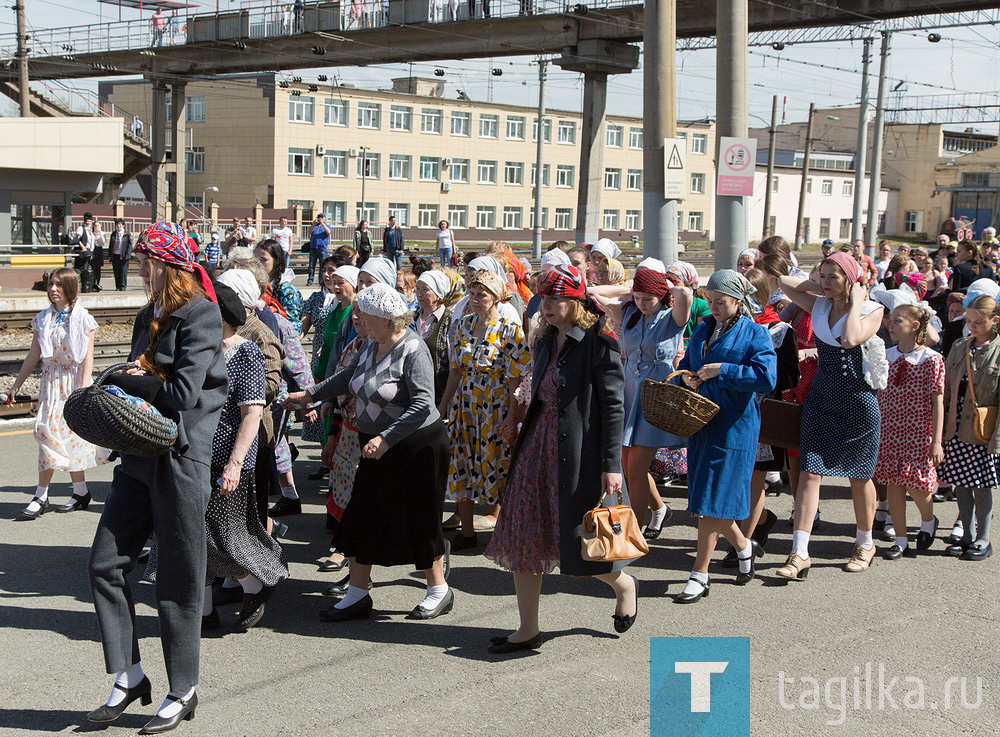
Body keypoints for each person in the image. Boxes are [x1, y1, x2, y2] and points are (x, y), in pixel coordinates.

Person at [87, 222, 226, 733]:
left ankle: (182, 688)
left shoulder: (201, 314)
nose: (140, 267)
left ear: (168, 264)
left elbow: (182, 394)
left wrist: (128, 378)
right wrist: (130, 381)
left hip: (181, 460)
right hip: (139, 455)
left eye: (147, 260)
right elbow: (144, 380)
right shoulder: (149, 314)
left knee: (177, 578)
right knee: (104, 564)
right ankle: (129, 675)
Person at [484, 264, 635, 653]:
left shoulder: (600, 341)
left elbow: (614, 408)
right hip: (536, 447)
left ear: (576, 300)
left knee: (580, 543)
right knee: (524, 534)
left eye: (555, 299)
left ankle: (623, 585)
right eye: (543, 298)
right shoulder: (546, 339)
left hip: (578, 454)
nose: (545, 306)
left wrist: (612, 465)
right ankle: (527, 628)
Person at [285, 284, 453, 621]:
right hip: (376, 445)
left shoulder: (413, 348)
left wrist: (387, 438)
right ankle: (358, 593)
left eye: (363, 312)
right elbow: (350, 376)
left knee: (421, 517)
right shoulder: (371, 344)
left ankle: (438, 590)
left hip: (416, 446)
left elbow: (423, 404)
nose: (357, 316)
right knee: (363, 515)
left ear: (385, 318)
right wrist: (310, 394)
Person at [775, 252, 886, 579]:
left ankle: (865, 543)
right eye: (822, 276)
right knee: (809, 472)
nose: (824, 283)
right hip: (821, 398)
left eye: (832, 277)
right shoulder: (819, 304)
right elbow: (783, 282)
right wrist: (818, 283)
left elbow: (851, 338)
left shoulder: (871, 309)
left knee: (859, 475)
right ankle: (799, 553)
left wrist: (855, 301)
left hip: (857, 400)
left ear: (850, 280)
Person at [674, 270, 777, 603]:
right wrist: (686, 380)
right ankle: (745, 548)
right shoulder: (703, 328)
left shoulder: (755, 333)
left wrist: (723, 370)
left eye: (720, 302)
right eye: (710, 301)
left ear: (737, 300)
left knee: (710, 504)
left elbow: (767, 378)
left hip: (735, 426)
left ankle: (699, 574)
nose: (713, 307)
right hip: (701, 422)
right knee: (709, 498)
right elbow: (689, 365)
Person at [191, 282, 288, 632]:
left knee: (224, 537)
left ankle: (255, 584)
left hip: (230, 460)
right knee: (195, 535)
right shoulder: (200, 348)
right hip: (195, 456)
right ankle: (204, 612)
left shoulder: (245, 351)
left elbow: (251, 413)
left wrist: (234, 464)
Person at [590, 269, 691, 539]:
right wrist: (628, 290)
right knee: (628, 466)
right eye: (638, 298)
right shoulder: (630, 314)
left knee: (635, 468)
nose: (642, 304)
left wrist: (666, 285)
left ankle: (631, 532)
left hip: (656, 395)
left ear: (662, 296)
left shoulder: (672, 317)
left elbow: (686, 293)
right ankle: (659, 509)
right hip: (629, 392)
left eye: (649, 298)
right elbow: (593, 294)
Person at [6, 268, 110, 518]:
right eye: (51, 284)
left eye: (58, 285)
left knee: (70, 437)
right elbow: (34, 354)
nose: (53, 289)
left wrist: (84, 389)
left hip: (73, 381)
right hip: (50, 382)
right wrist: (16, 385)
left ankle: (80, 491)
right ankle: (41, 495)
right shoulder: (42, 318)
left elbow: (87, 356)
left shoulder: (84, 318)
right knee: (45, 432)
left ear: (70, 287)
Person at [438, 269, 530, 548]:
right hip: (464, 408)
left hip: (495, 406)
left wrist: (513, 417)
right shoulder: (461, 326)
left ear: (496, 297)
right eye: (473, 293)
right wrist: (442, 406)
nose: (475, 299)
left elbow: (515, 377)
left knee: (498, 467)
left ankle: (506, 533)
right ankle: (467, 533)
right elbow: (455, 370)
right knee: (462, 465)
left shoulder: (509, 329)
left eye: (483, 294)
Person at [874, 304, 945, 560]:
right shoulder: (887, 354)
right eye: (891, 320)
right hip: (890, 428)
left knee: (918, 483)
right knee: (893, 480)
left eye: (898, 321)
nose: (891, 325)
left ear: (914, 326)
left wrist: (936, 440)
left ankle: (928, 520)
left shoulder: (931, 359)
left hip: (917, 429)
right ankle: (901, 540)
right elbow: (880, 392)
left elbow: (937, 401)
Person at [938, 294, 1000, 561]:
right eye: (969, 321)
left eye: (978, 322)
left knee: (982, 485)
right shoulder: (960, 346)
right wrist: (941, 428)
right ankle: (966, 536)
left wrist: (996, 441)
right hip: (957, 428)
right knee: (960, 484)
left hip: (984, 431)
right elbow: (947, 388)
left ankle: (983, 538)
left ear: (994, 321)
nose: (972, 326)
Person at [413, 270, 455, 403]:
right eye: (417, 289)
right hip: (411, 391)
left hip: (438, 394)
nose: (419, 294)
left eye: (425, 289)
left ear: (438, 294)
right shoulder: (411, 318)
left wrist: (444, 404)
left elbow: (454, 365)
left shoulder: (450, 320)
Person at [255, 239, 303, 332]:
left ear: (276, 260)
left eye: (264, 260)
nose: (258, 264)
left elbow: (293, 327)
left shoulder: (287, 291)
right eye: (256, 259)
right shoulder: (254, 284)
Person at [307, 214, 332, 286]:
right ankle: (310, 280)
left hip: (322, 249)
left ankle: (321, 281)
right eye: (318, 218)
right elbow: (309, 232)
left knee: (322, 266)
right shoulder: (315, 226)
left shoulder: (327, 226)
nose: (319, 219)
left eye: (321, 218)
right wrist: (313, 225)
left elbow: (328, 232)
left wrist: (322, 224)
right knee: (311, 266)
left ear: (324, 219)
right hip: (313, 248)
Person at [109, 219, 133, 291]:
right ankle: (117, 286)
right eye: (117, 224)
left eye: (120, 224)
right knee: (116, 271)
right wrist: (110, 255)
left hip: (123, 255)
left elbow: (130, 245)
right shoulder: (114, 234)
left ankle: (123, 286)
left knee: (123, 271)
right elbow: (111, 245)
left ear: (123, 225)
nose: (118, 226)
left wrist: (128, 255)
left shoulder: (127, 234)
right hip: (115, 255)